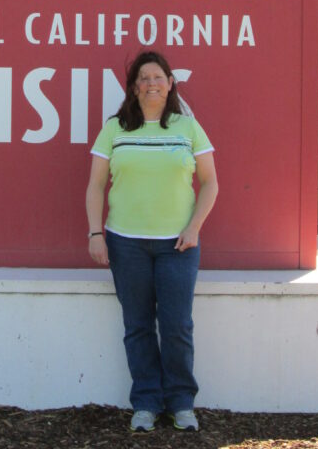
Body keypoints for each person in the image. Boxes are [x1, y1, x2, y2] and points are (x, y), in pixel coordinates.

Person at [86, 50, 218, 433]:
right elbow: (95, 185)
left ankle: (181, 403)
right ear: (134, 87)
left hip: (178, 244)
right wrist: (96, 232)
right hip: (126, 244)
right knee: (138, 325)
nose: (151, 84)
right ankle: (145, 402)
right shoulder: (116, 128)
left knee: (177, 325)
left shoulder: (187, 127)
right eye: (143, 78)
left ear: (170, 83)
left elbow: (210, 183)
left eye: (158, 77)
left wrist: (194, 227)